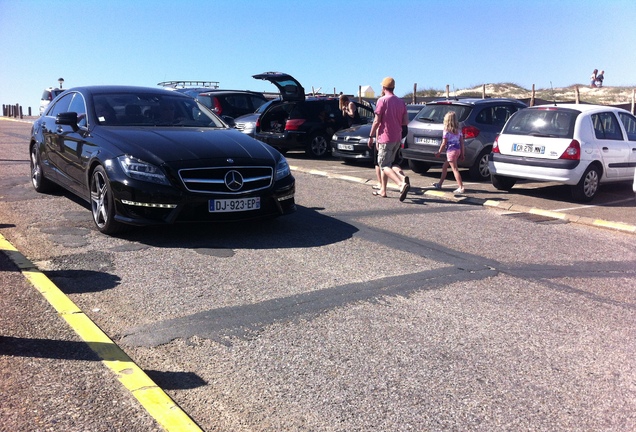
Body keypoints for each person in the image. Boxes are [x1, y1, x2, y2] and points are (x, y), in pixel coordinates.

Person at [368, 77, 409, 201]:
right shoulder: (401, 102)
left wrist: (371, 136)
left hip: (385, 137)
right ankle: (383, 190)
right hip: (397, 137)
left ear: (384, 88)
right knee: (390, 163)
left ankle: (401, 184)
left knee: (384, 165)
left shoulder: (382, 100)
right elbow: (405, 121)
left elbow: (376, 120)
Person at [432, 111, 465, 194]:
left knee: (455, 169)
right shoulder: (458, 130)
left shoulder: (446, 131)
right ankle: (439, 184)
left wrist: (439, 152)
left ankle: (461, 187)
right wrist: (462, 154)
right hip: (457, 150)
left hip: (450, 151)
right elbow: (462, 143)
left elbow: (444, 143)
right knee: (444, 167)